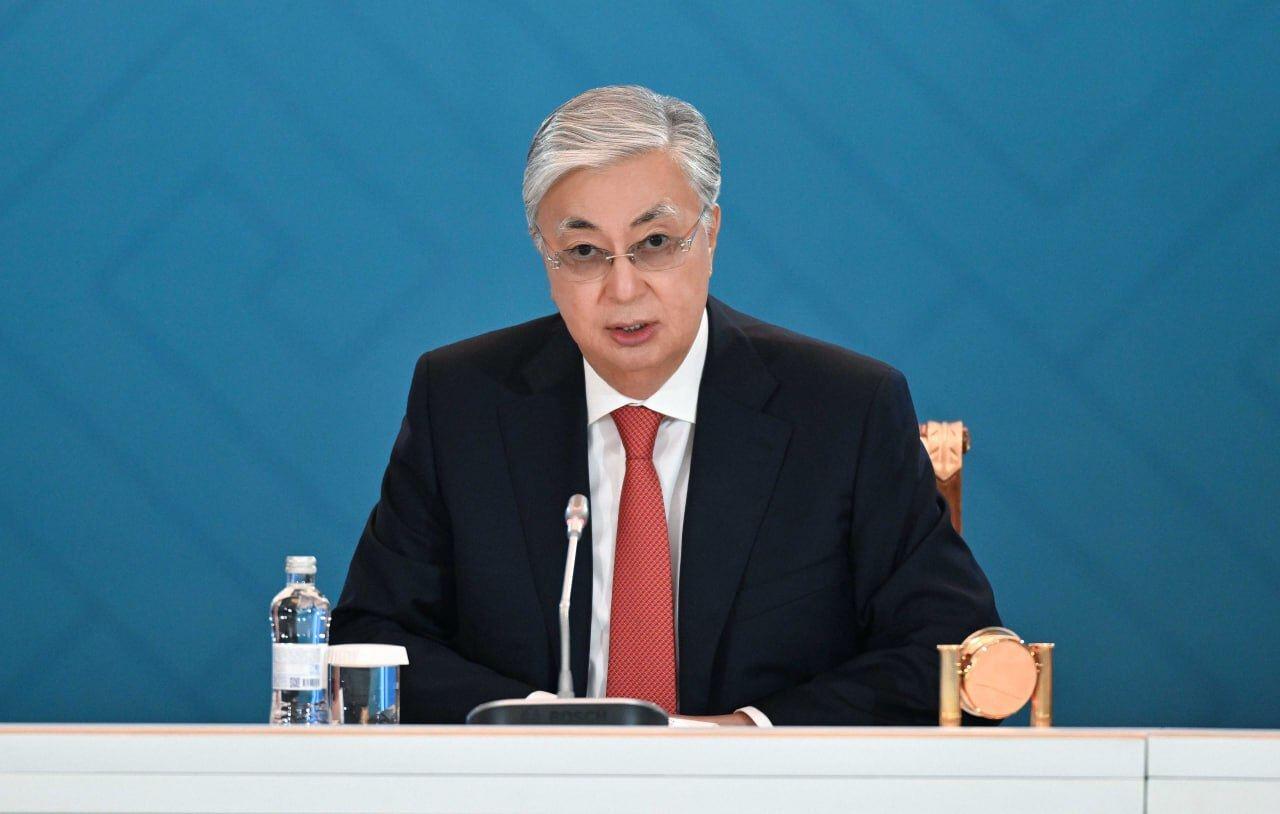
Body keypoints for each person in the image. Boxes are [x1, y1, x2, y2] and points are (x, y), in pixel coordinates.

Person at [330, 85, 1000, 726]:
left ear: (710, 235)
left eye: (654, 243)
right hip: (529, 784)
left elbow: (952, 653)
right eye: (584, 251)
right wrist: (543, 726)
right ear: (545, 256)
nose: (623, 289)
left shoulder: (843, 410)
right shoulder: (463, 403)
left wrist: (746, 735)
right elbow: (372, 638)